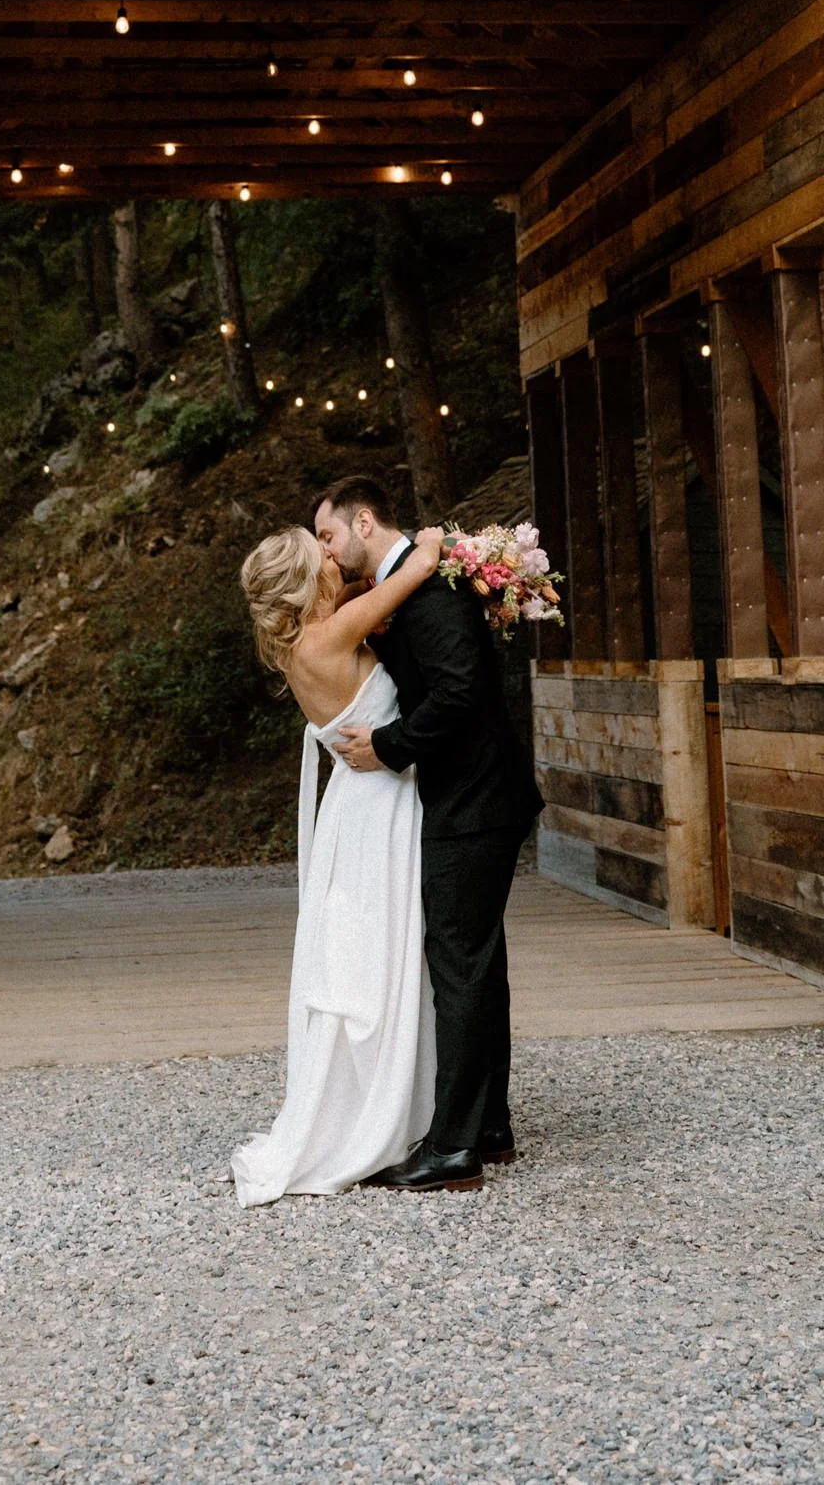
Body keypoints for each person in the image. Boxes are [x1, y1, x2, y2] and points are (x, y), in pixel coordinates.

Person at [314, 474, 544, 1195]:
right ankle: (488, 1124)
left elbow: (459, 690)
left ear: (362, 520)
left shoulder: (432, 589)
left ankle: (452, 1149)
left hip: (471, 803)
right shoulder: (409, 581)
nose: (326, 551)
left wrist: (386, 746)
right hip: (470, 799)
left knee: (459, 966)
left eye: (327, 535)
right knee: (475, 963)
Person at [230, 521, 446, 1205]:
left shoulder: (304, 643)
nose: (333, 555)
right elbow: (413, 572)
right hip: (380, 802)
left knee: (369, 950)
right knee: (384, 948)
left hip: (354, 805)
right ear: (308, 578)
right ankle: (382, 1112)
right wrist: (443, 544)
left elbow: (359, 591)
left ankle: (376, 1098)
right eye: (318, 552)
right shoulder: (333, 633)